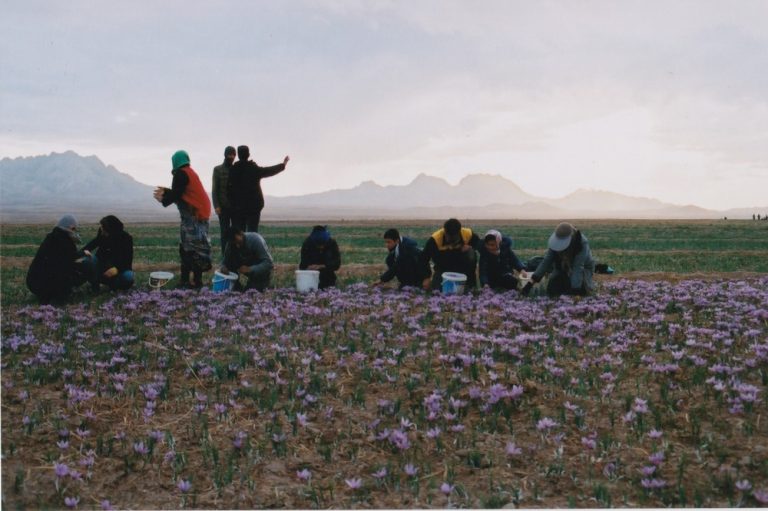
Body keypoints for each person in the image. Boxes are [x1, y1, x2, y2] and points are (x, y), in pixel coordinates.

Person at [153, 150, 213, 289]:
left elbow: (177, 194)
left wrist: (164, 199)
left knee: (189, 249)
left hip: (194, 216)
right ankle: (194, 280)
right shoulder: (190, 172)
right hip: (200, 213)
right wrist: (168, 193)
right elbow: (181, 193)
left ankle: (188, 281)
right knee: (195, 247)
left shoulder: (181, 174)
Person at [228, 145, 290, 232]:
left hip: (238, 207)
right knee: (253, 232)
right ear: (248, 154)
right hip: (254, 206)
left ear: (238, 155)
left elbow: (229, 189)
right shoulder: (253, 168)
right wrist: (283, 165)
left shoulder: (233, 170)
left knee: (240, 233)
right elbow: (268, 171)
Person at [26, 215, 86, 304]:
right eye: (74, 229)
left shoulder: (51, 237)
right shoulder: (65, 241)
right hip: (48, 285)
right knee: (83, 266)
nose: (75, 231)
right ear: (70, 227)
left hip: (33, 283)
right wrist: (83, 254)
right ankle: (61, 294)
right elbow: (70, 259)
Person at [525, 222, 595, 298]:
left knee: (581, 290)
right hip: (563, 267)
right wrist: (531, 282)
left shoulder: (581, 242)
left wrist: (575, 290)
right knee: (552, 291)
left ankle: (577, 287)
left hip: (583, 269)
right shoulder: (556, 240)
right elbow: (546, 261)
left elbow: (578, 267)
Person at [420, 218, 481, 291]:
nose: (452, 245)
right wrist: (426, 278)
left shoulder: (467, 234)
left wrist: (470, 247)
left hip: (462, 268)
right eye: (449, 238)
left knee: (471, 253)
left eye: (454, 240)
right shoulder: (435, 240)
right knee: (437, 290)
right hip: (443, 269)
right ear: (445, 232)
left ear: (459, 232)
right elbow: (423, 259)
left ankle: (470, 283)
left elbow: (479, 245)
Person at [79, 215, 134, 292]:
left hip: (118, 267)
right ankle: (95, 284)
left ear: (110, 229)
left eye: (103, 227)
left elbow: (128, 260)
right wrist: (81, 252)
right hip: (102, 265)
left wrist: (117, 269)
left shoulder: (126, 238)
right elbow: (93, 243)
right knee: (87, 261)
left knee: (128, 277)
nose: (101, 229)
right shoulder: (102, 233)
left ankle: (114, 285)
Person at [220, 227, 274, 292]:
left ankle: (262, 284)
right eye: (234, 243)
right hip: (242, 268)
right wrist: (223, 267)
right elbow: (224, 262)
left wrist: (250, 269)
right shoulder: (230, 244)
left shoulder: (255, 240)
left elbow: (269, 263)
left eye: (238, 242)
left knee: (252, 291)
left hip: (257, 272)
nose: (237, 246)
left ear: (241, 233)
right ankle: (236, 286)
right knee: (234, 290)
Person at [212, 146, 236, 254]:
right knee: (224, 234)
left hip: (235, 207)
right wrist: (216, 206)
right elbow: (215, 189)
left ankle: (235, 257)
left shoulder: (236, 168)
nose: (231, 157)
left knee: (236, 234)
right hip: (223, 207)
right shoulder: (217, 169)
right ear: (225, 155)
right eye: (229, 154)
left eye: (233, 155)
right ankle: (225, 258)